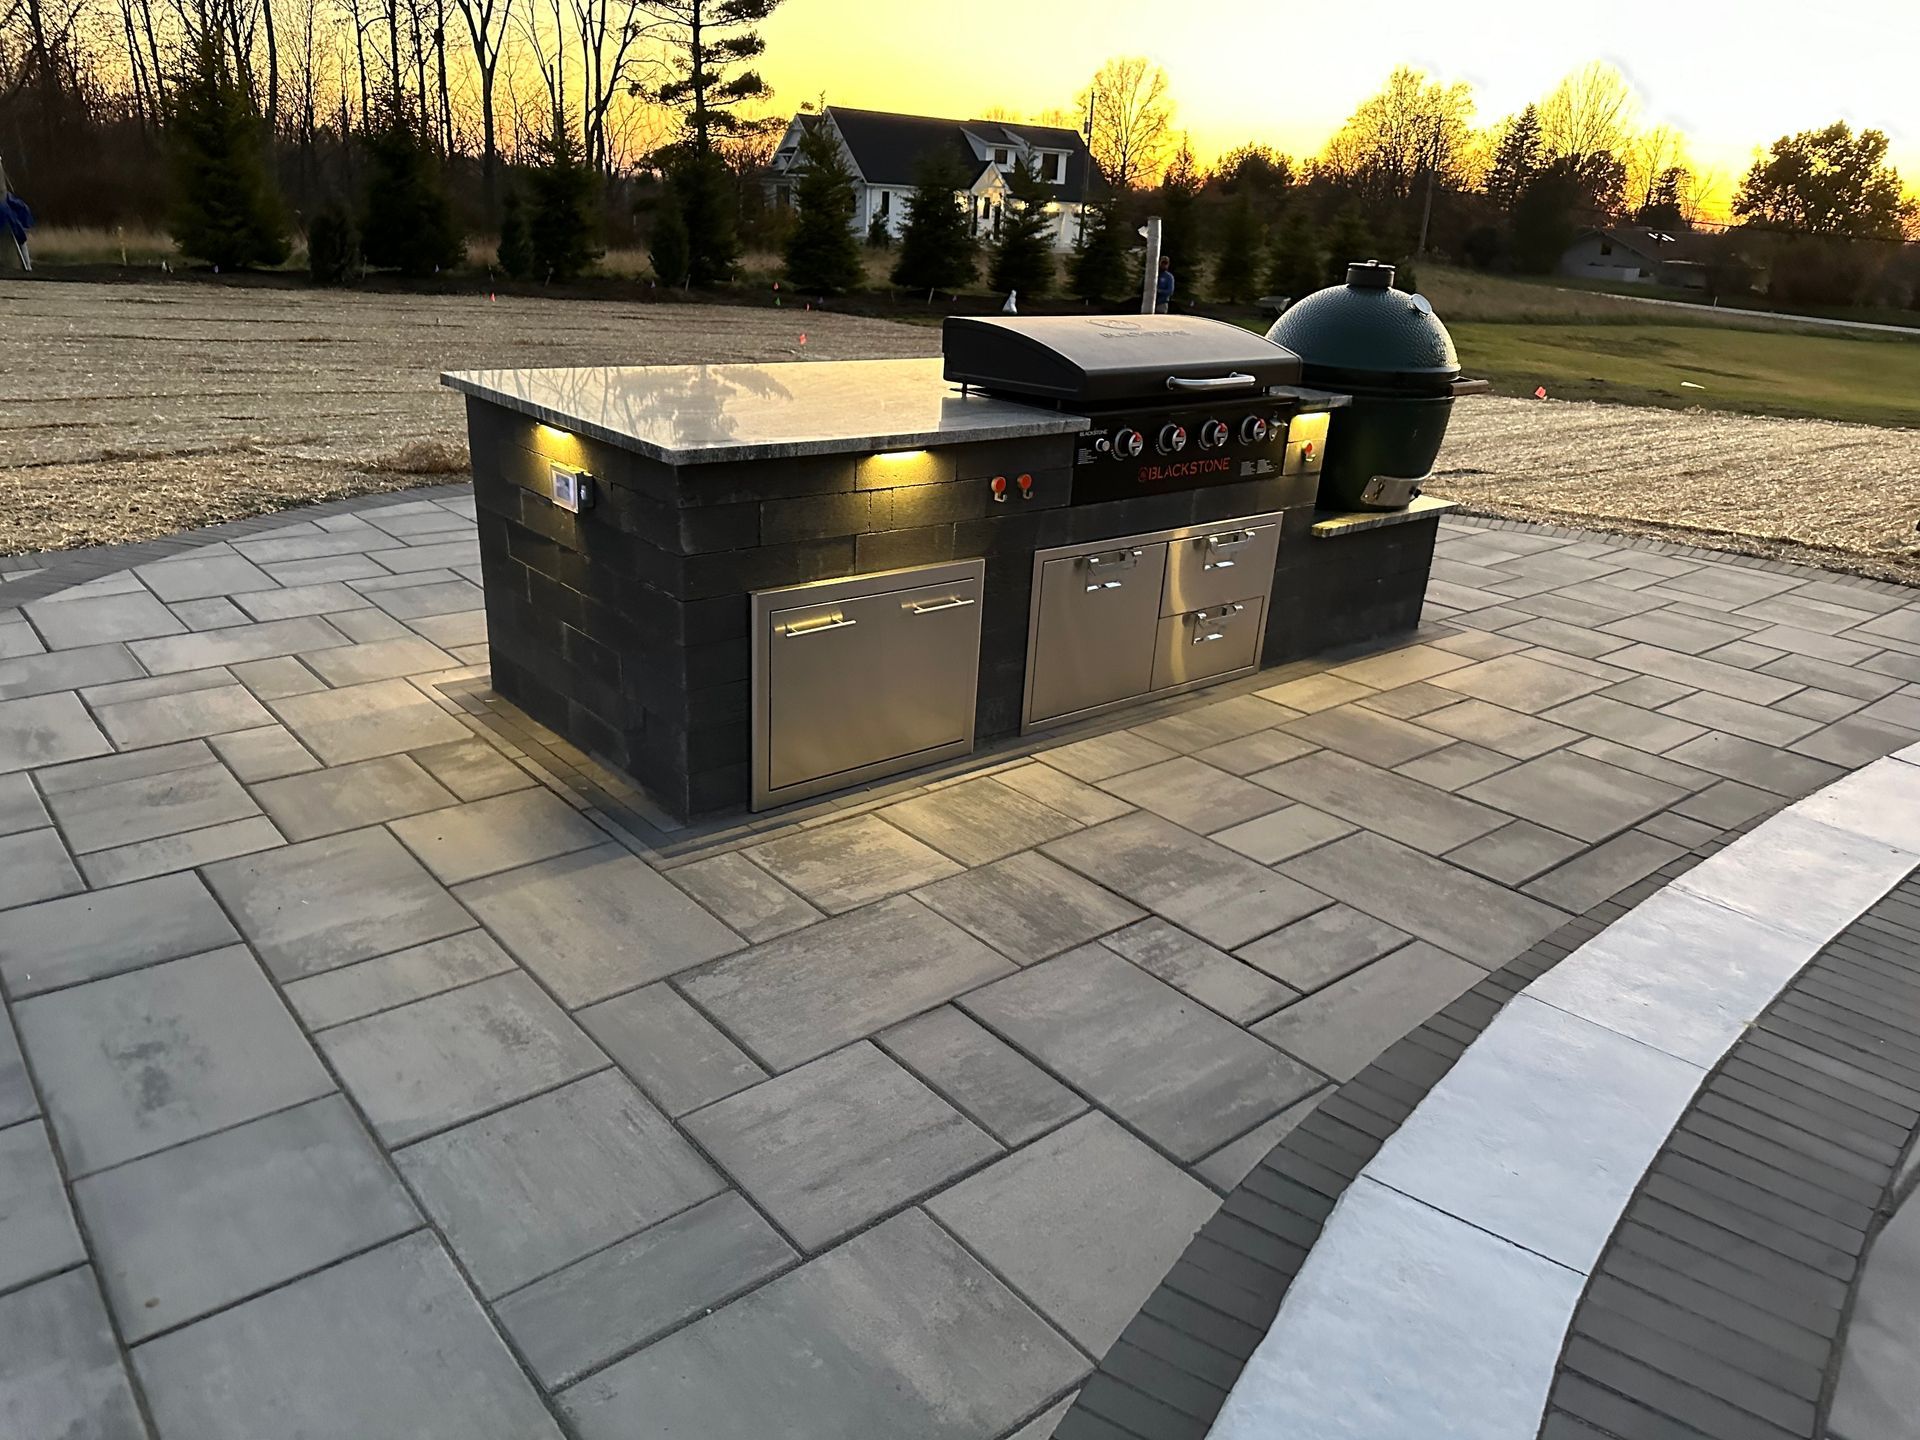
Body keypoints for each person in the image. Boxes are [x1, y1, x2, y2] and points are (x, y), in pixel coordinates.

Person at [0, 186, 32, 272]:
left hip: (11, 222)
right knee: (22, 242)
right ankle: (27, 265)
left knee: (21, 241)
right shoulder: (7, 199)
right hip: (11, 222)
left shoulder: (6, 199)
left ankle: (27, 265)